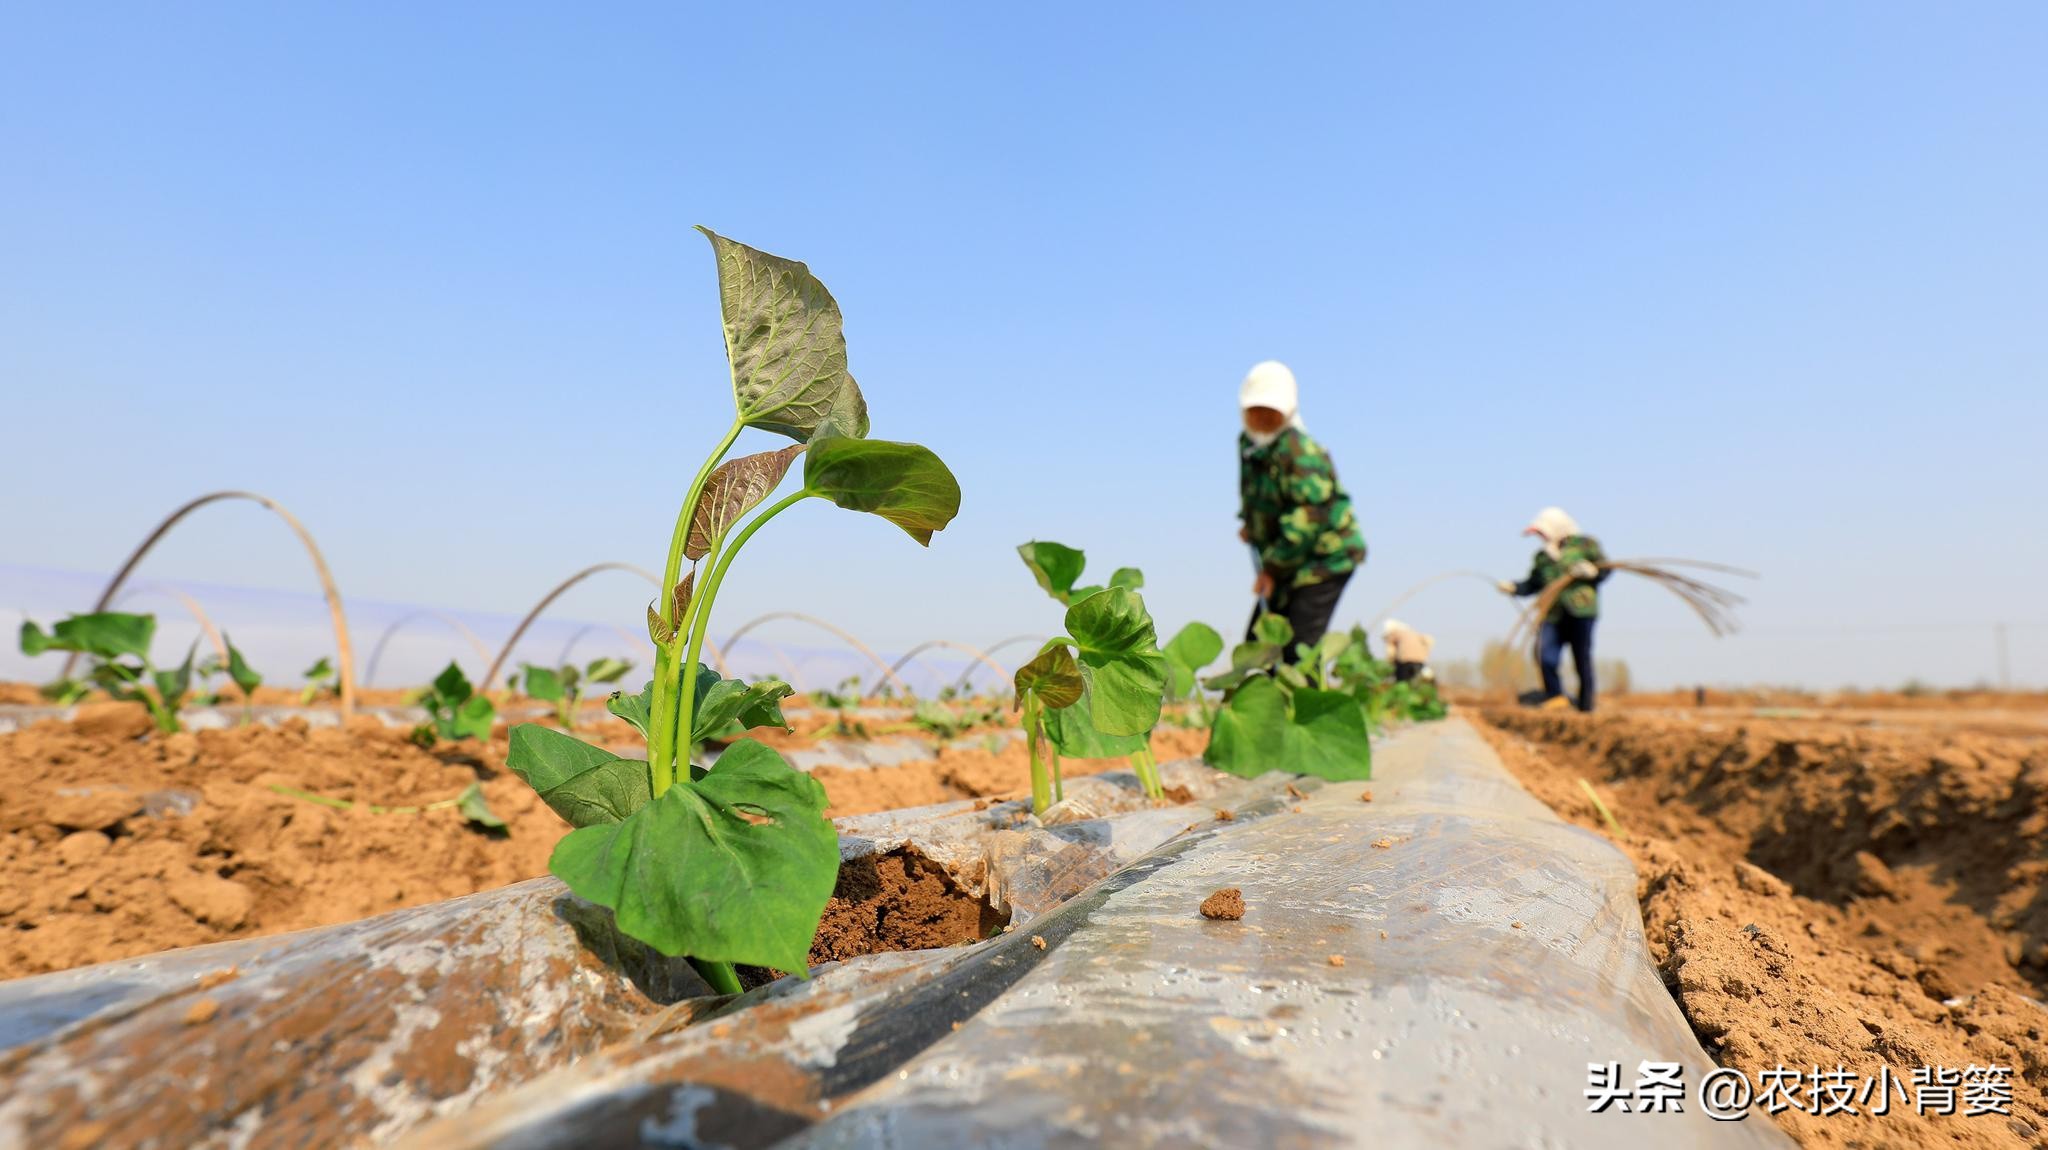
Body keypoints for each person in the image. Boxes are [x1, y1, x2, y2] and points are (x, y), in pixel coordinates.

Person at [1237, 361, 1366, 660]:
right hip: (1286, 560)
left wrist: (1270, 569)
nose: (1263, 419)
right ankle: (1264, 706)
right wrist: (1251, 526)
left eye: (1271, 413)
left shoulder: (1300, 451)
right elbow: (1255, 494)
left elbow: (1306, 523)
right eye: (1255, 412)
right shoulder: (1247, 446)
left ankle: (1301, 705)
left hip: (1325, 558)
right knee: (1258, 646)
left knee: (1298, 651)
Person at [1498, 506, 1607, 712]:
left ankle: (1585, 706)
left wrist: (1592, 572)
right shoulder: (1542, 557)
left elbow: (1605, 570)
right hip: (1552, 613)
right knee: (1544, 654)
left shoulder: (1586, 545)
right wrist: (1514, 587)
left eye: (1541, 532)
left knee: (1581, 659)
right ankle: (1556, 696)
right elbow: (1533, 583)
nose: (1540, 537)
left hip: (1581, 612)